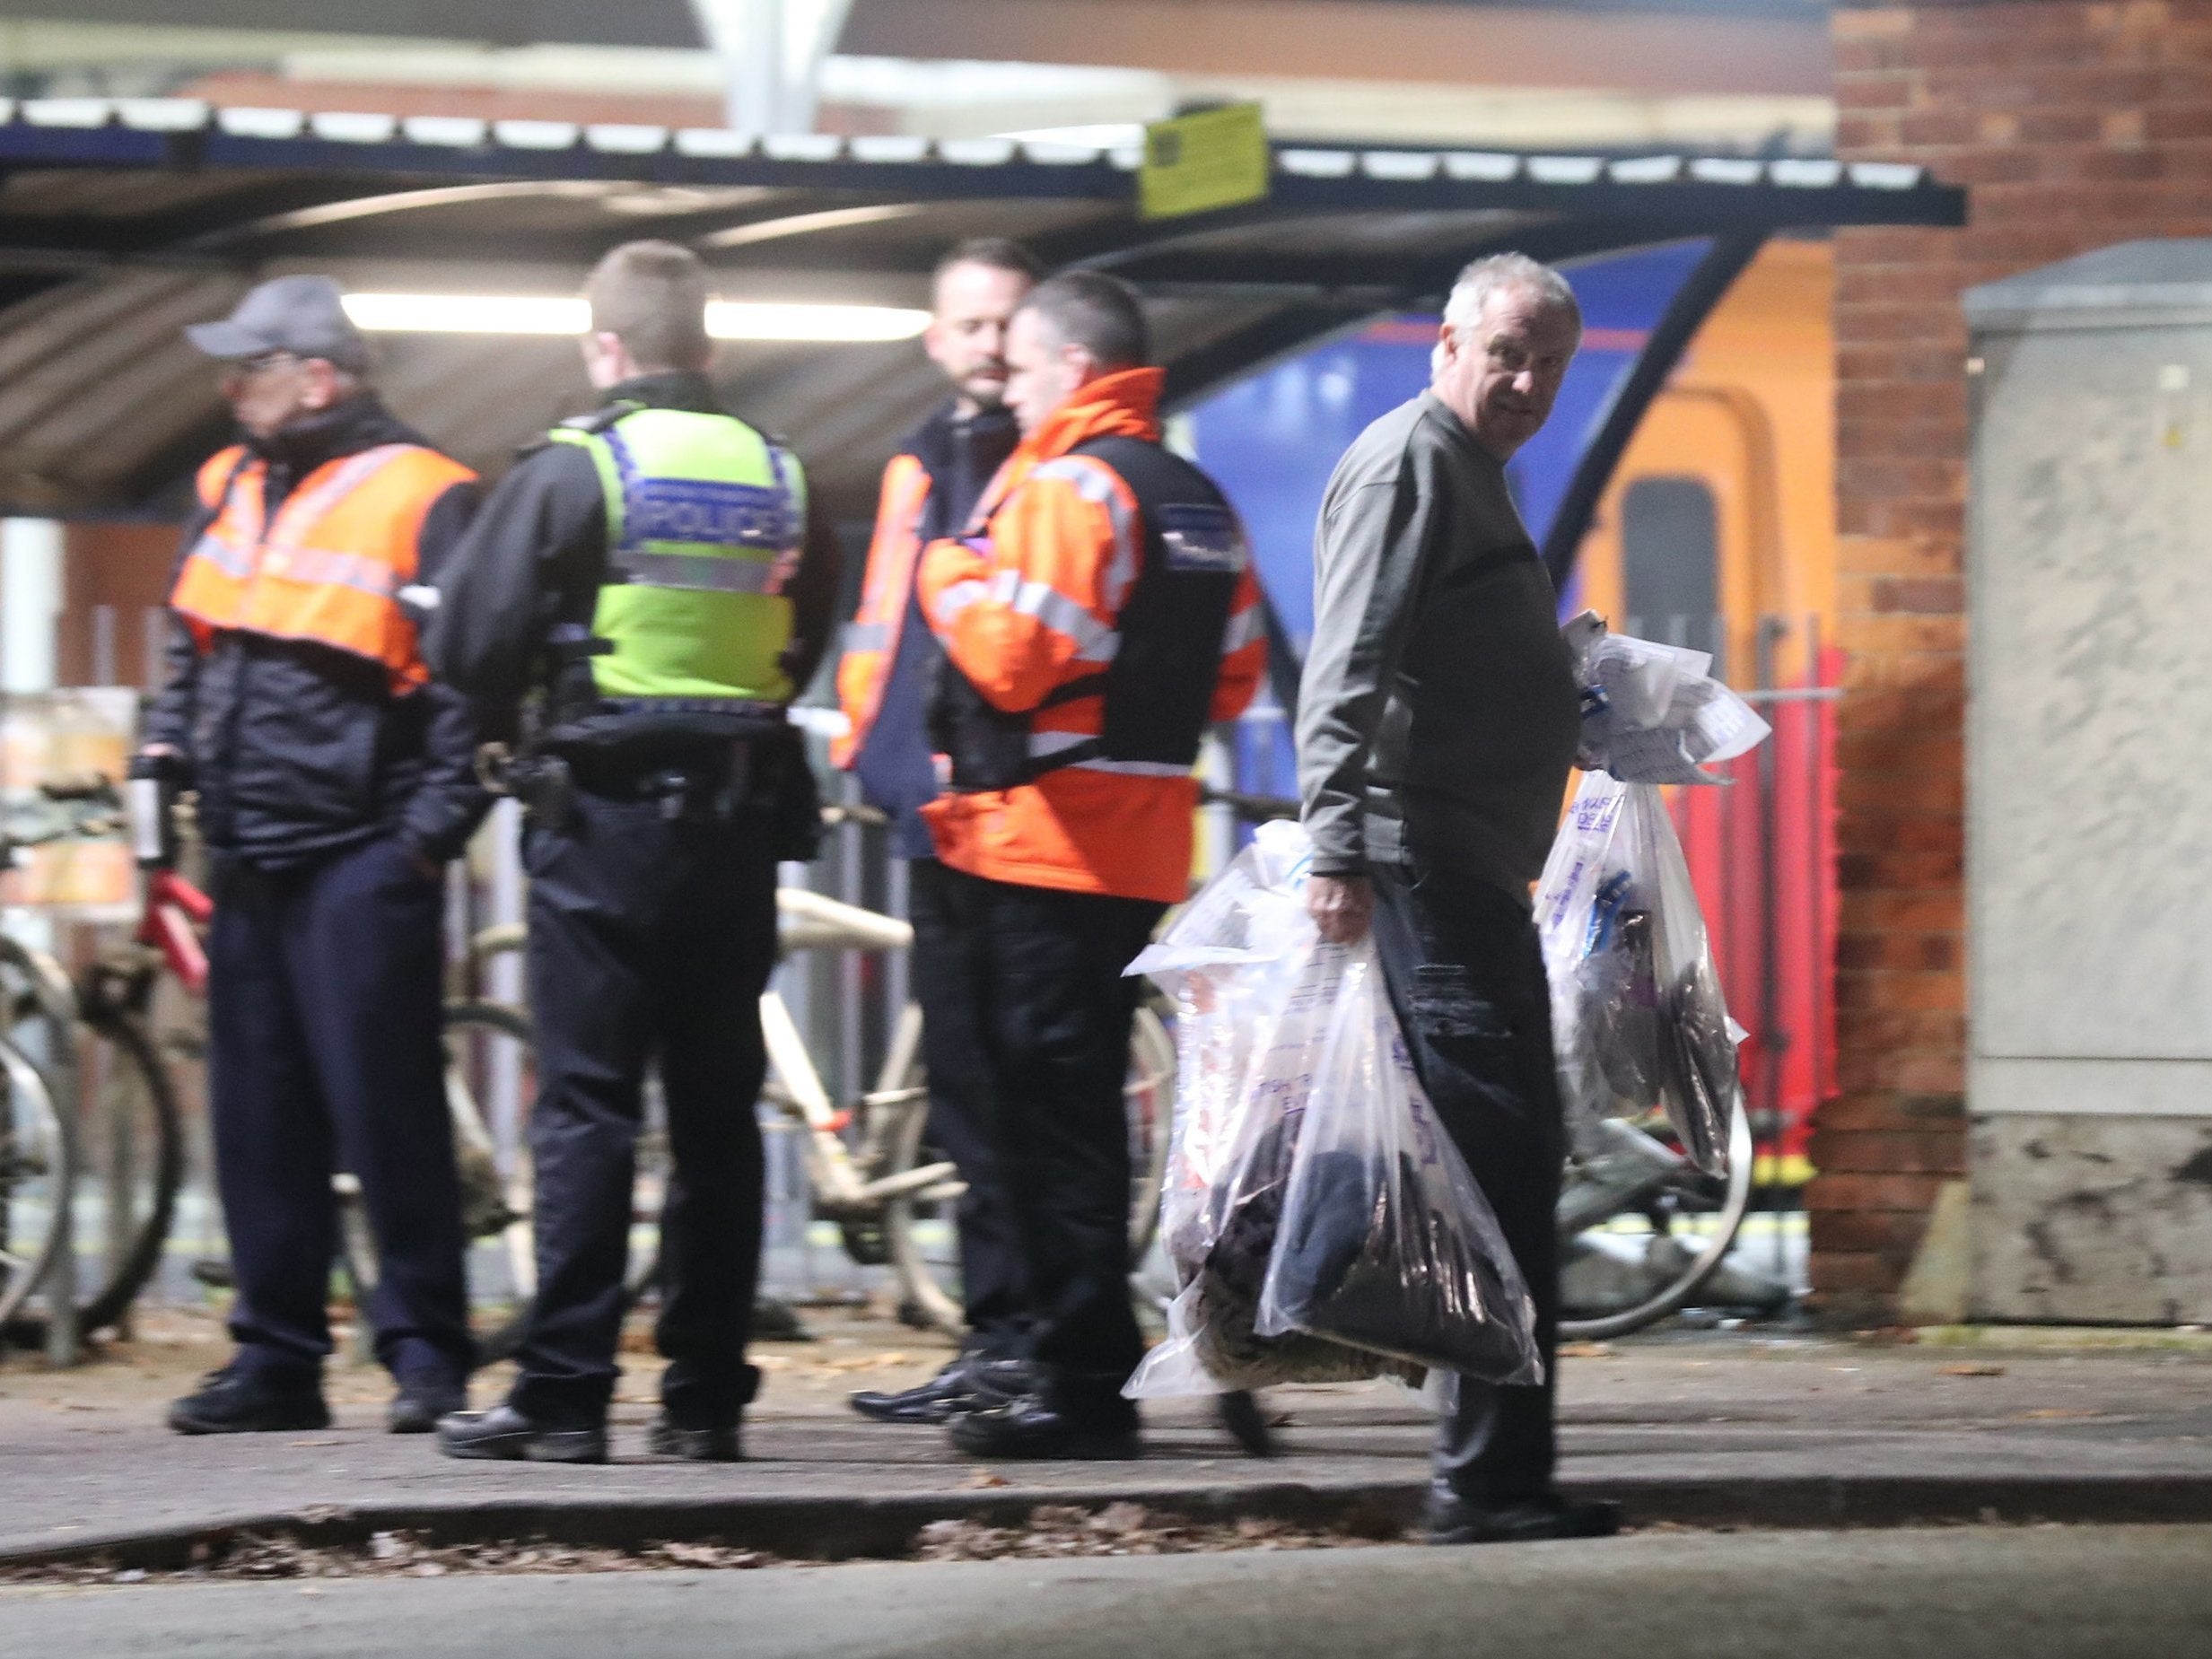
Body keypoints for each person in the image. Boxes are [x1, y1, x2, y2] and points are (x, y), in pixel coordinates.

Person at [424, 241, 841, 1464]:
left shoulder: (575, 471)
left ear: (604, 350)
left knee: (590, 1113)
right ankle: (705, 1398)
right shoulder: (784, 477)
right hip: (737, 827)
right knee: (716, 1117)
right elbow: (799, 638)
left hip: (599, 824)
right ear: (708, 349)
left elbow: (466, 647)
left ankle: (563, 1398)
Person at [911, 270, 1267, 1459]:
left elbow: (1012, 659)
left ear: (1070, 367)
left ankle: (1078, 1384)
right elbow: (1235, 679)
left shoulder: (1071, 485)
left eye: (1018, 365)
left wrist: (943, 574)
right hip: (1139, 844)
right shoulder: (1196, 499)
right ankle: (1077, 1368)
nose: (1004, 386)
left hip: (1039, 844)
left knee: (1041, 1125)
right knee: (1076, 1114)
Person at [1295, 252, 1619, 1544]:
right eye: (1507, 353)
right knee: (1498, 1156)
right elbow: (1350, 657)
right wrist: (1331, 843)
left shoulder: (1467, 470)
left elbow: (1439, 654)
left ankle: (1497, 1469)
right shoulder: (1410, 460)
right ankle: (1482, 1479)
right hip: (1422, 860)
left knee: (1505, 1152)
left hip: (1466, 861)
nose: (1527, 381)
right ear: (1446, 343)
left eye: (1547, 361)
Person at [150, 275, 487, 1437]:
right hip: (249, 847)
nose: (226, 387)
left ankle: (426, 1353)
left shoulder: (425, 493)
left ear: (319, 379)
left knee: (385, 1114)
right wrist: (166, 736)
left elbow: (466, 687)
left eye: (249, 367)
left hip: (360, 858)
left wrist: (420, 844)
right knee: (259, 1116)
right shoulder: (228, 481)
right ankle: (278, 1359)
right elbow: (193, 635)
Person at [835, 238, 1042, 1427]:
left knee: (1008, 1096)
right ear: (934, 336)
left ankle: (1018, 1343)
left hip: (1009, 826)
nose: (988, 344)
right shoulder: (924, 457)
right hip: (932, 817)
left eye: (1006, 322)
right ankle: (993, 1335)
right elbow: (886, 625)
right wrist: (873, 758)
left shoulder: (1039, 463)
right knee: (967, 1094)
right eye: (968, 324)